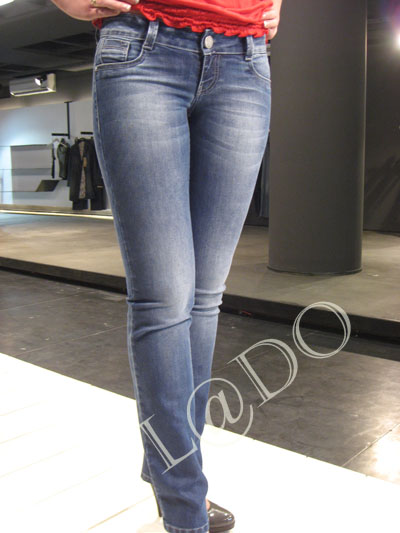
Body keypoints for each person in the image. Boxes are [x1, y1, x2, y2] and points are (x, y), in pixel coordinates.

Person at [50, 0, 282, 531]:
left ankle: (171, 473)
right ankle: (184, 510)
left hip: (246, 60)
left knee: (204, 299)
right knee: (165, 297)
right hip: (142, 47)